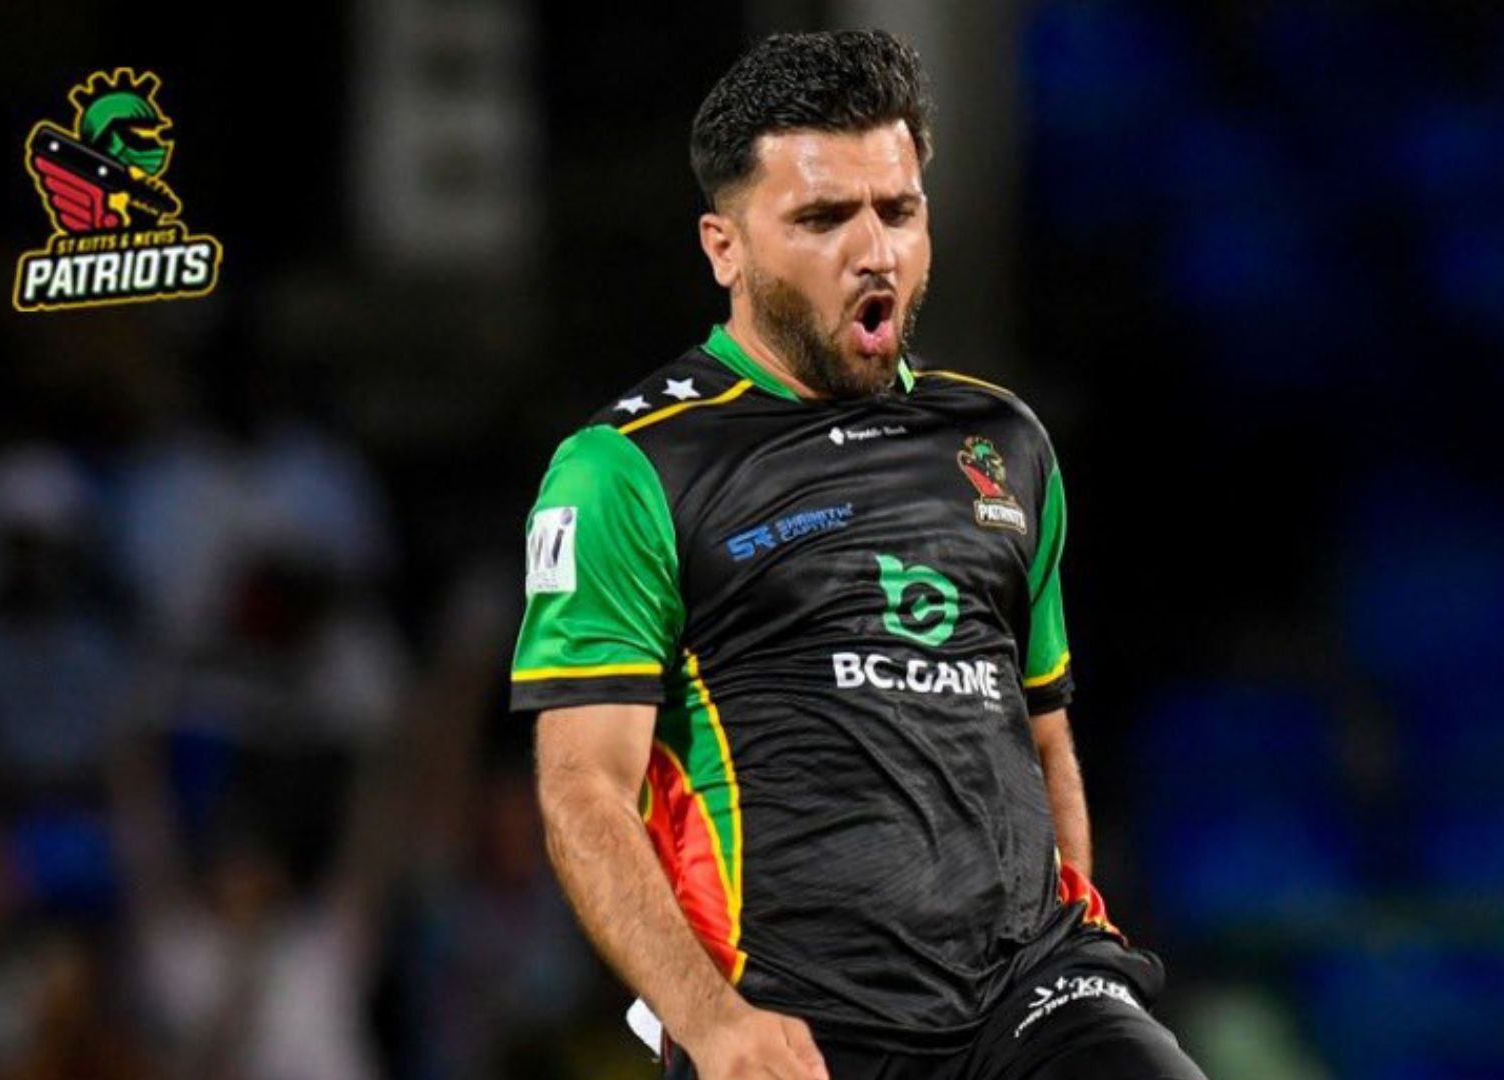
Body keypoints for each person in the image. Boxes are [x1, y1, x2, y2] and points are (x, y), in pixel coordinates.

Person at [511, 29, 1207, 1080]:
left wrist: (1084, 958)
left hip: (1028, 993)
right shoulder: (628, 470)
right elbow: (583, 794)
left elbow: (1044, 736)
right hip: (797, 1023)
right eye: (824, 218)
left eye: (899, 210)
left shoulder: (1002, 442)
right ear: (724, 247)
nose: (874, 249)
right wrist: (708, 1020)